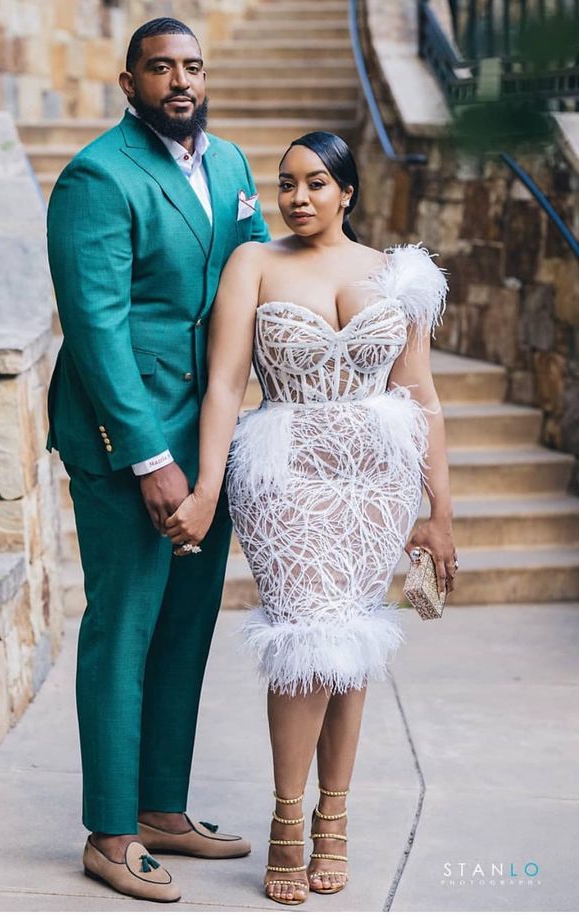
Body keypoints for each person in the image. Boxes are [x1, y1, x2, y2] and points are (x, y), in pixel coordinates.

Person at [165, 132, 458, 905]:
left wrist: (440, 511)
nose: (297, 197)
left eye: (316, 183)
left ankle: (335, 815)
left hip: (376, 479)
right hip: (284, 469)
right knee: (305, 633)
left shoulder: (401, 275)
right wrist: (205, 485)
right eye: (286, 183)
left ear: (348, 192)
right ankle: (287, 814)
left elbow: (420, 393)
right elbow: (226, 384)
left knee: (350, 636)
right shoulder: (254, 263)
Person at [45, 17, 270, 904]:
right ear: (129, 81)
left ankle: (161, 807)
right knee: (124, 624)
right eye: (160, 68)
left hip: (209, 433)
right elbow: (95, 329)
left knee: (186, 622)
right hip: (124, 437)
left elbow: (248, 280)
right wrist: (147, 458)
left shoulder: (233, 166)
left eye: (192, 66)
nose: (180, 80)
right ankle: (109, 830)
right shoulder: (98, 176)